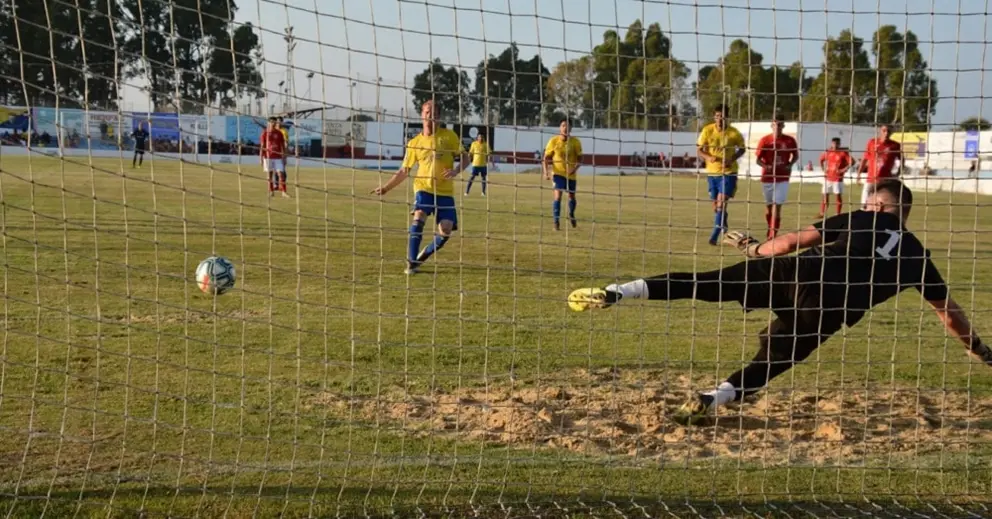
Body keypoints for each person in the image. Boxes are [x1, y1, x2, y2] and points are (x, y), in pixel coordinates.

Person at [566, 179, 986, 426]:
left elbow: (790, 242)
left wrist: (753, 248)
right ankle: (714, 398)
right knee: (773, 360)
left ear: (878, 205)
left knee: (705, 284)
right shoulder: (919, 258)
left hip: (794, 272)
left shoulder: (863, 217)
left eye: (868, 203)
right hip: (828, 310)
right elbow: (949, 314)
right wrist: (978, 349)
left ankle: (620, 291)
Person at [371, 100, 468, 274]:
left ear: (439, 117)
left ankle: (423, 255)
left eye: (435, 113)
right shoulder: (414, 142)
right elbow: (404, 170)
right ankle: (411, 262)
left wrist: (455, 171)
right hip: (423, 188)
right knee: (419, 216)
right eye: (427, 112)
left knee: (445, 231)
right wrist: (386, 188)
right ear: (422, 115)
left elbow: (466, 158)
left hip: (445, 192)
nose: (431, 115)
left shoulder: (450, 136)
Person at [697, 104, 746, 245]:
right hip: (712, 173)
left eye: (722, 116)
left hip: (729, 173)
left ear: (727, 117)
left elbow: (742, 149)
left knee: (721, 203)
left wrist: (732, 159)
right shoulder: (707, 130)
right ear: (714, 117)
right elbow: (699, 149)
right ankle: (723, 222)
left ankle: (714, 236)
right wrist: (708, 157)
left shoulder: (734, 133)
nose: (720, 119)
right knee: (716, 206)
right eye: (717, 116)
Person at [754, 116, 799, 239]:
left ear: (783, 126)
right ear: (771, 126)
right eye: (775, 125)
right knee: (769, 208)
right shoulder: (765, 140)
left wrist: (790, 165)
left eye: (780, 125)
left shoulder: (790, 140)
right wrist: (766, 166)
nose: (777, 127)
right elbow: (757, 160)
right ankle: (770, 227)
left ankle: (773, 234)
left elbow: (795, 156)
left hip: (783, 178)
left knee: (777, 206)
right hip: (767, 178)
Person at [543, 120, 583, 231]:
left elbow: (580, 159)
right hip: (558, 174)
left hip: (571, 175)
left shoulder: (575, 142)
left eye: (568, 126)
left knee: (571, 197)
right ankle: (556, 222)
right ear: (560, 127)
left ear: (571, 128)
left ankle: (571, 213)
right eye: (563, 125)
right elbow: (545, 158)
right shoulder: (553, 141)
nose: (565, 128)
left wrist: (574, 169)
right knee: (558, 196)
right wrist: (546, 172)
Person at [856, 124, 903, 207]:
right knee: (864, 205)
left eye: (888, 131)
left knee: (882, 205)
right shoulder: (872, 142)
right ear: (880, 131)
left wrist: (898, 172)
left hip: (885, 180)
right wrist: (859, 174)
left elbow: (902, 159)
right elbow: (864, 159)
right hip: (871, 179)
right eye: (884, 131)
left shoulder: (895, 145)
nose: (886, 133)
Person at [818, 137, 854, 217]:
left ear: (839, 144)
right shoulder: (828, 152)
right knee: (825, 195)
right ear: (832, 143)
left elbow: (852, 162)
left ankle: (838, 213)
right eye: (834, 143)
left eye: (837, 143)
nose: (835, 145)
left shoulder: (843, 153)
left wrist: (844, 169)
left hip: (838, 178)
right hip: (828, 178)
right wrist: (823, 169)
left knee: (838, 196)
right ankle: (822, 213)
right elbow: (821, 160)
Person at [260, 117, 288, 198]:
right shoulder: (265, 133)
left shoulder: (279, 133)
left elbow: (283, 146)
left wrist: (284, 157)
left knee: (281, 174)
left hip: (278, 157)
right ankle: (271, 191)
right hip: (268, 156)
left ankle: (284, 192)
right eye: (272, 122)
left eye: (274, 122)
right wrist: (261, 158)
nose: (273, 123)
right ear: (268, 123)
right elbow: (262, 146)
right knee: (269, 175)